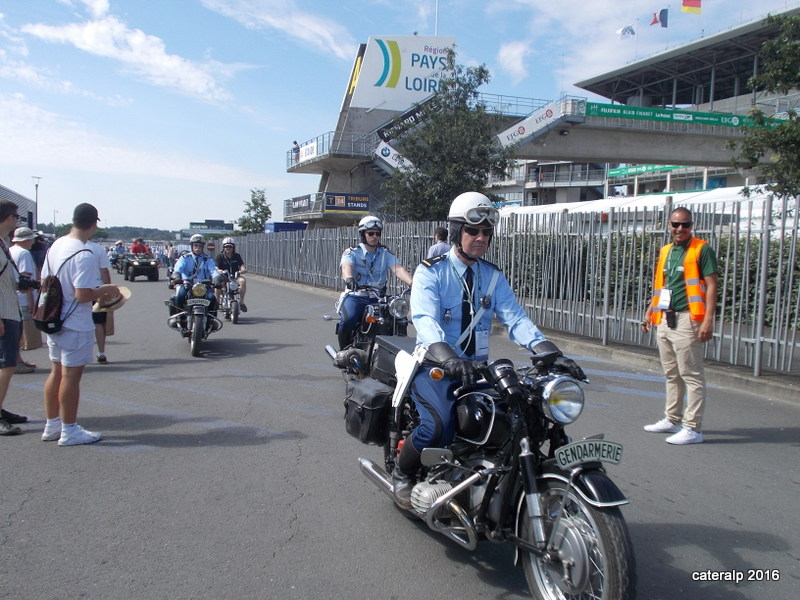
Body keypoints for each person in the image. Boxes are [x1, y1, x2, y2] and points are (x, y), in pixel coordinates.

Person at [392, 192, 586, 508]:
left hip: (477, 370)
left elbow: (516, 319)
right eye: (473, 231)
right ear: (456, 231)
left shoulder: (492, 276)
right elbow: (425, 322)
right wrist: (448, 358)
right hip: (436, 367)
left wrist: (551, 353)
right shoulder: (432, 271)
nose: (480, 238)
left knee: (525, 413)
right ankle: (403, 472)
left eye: (486, 232)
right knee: (438, 424)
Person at [40, 203, 121, 446]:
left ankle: (52, 424)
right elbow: (83, 294)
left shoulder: (56, 245)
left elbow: (44, 280)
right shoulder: (84, 254)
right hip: (75, 321)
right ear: (94, 223)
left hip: (54, 318)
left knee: (56, 372)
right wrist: (105, 289)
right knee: (71, 377)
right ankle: (69, 430)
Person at [642, 207, 719, 445]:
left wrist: (707, 320)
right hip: (666, 317)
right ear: (669, 225)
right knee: (671, 373)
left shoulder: (701, 250)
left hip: (689, 318)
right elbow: (664, 285)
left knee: (691, 375)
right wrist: (650, 310)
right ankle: (672, 419)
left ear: (691, 225)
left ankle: (693, 428)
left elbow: (712, 286)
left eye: (685, 225)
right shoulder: (666, 251)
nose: (680, 229)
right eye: (676, 224)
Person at [337, 215, 413, 350]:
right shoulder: (353, 252)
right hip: (357, 296)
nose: (374, 236)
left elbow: (399, 269)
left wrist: (413, 283)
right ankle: (343, 353)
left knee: (399, 319)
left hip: (379, 298)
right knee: (348, 319)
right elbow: (346, 267)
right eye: (370, 233)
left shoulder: (385, 253)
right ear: (362, 234)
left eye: (377, 233)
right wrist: (349, 278)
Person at [0, 201, 27, 435]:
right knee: (6, 365)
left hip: (9, 309)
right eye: (16, 217)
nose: (17, 220)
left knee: (6, 365)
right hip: (3, 312)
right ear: (8, 218)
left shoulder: (3, 243)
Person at [9, 227, 41, 371]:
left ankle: (17, 359)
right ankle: (17, 361)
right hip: (22, 297)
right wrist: (31, 302)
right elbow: (26, 278)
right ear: (27, 240)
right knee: (21, 331)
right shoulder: (24, 253)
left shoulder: (9, 250)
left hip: (11, 296)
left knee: (14, 331)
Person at [169, 234, 218, 315]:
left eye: (200, 246)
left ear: (203, 247)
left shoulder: (207, 259)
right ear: (191, 246)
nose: (197, 248)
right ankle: (179, 317)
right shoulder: (184, 258)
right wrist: (177, 276)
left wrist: (217, 278)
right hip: (187, 284)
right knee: (179, 296)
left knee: (212, 298)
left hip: (204, 286)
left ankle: (211, 319)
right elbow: (178, 268)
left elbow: (213, 270)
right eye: (195, 245)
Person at [87, 239, 112, 363]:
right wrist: (108, 289)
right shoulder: (97, 248)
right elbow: (104, 271)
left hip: (74, 289)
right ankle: (101, 352)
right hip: (97, 288)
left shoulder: (65, 246)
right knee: (99, 322)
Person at [214, 237, 248, 312]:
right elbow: (216, 266)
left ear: (233, 247)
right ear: (223, 247)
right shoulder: (220, 256)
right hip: (224, 276)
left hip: (235, 276)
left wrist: (242, 269)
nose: (228, 248)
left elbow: (241, 265)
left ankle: (242, 302)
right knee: (217, 284)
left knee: (243, 281)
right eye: (226, 246)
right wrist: (219, 270)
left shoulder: (237, 256)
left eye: (230, 246)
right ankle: (217, 301)